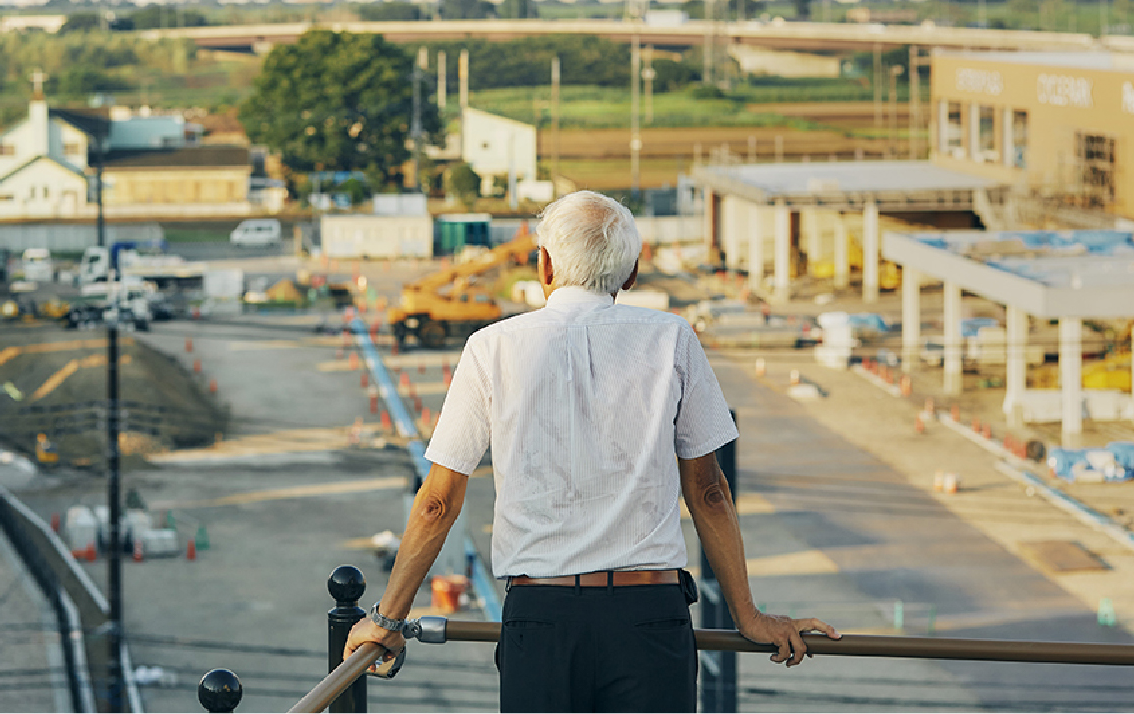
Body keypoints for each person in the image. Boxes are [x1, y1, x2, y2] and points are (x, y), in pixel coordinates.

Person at [345, 190, 837, 712]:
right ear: (631, 274)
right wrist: (749, 616)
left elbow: (438, 502)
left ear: (545, 264)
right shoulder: (672, 338)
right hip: (651, 614)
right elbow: (710, 491)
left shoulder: (491, 347)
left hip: (541, 615)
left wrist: (389, 619)